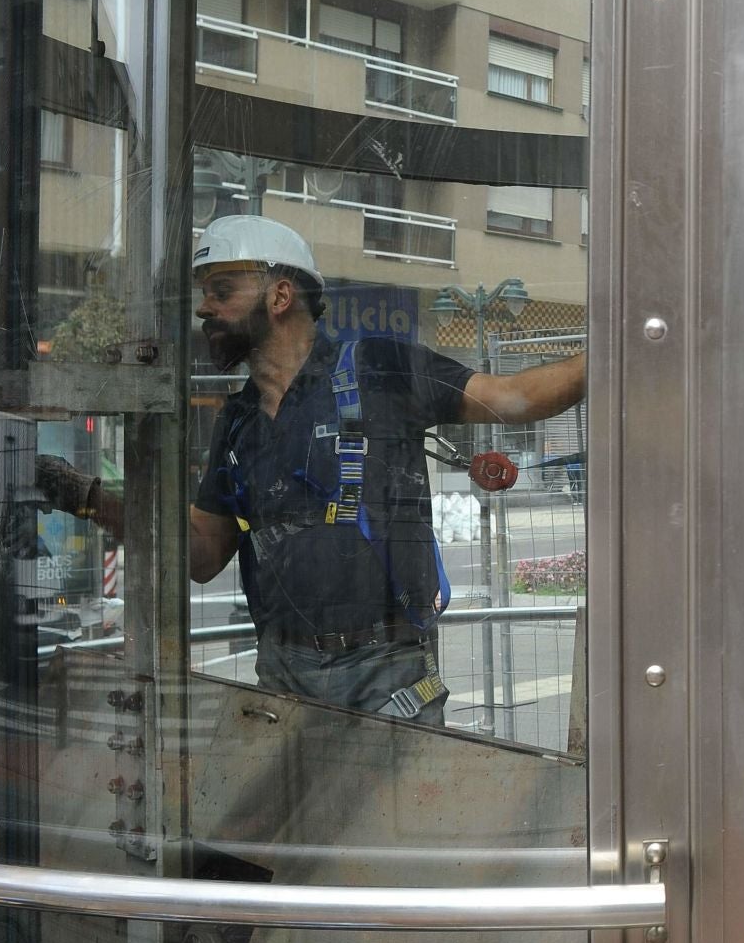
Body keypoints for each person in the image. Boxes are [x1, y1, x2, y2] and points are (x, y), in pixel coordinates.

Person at [35, 216, 586, 724]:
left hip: (386, 675)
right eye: (205, 293)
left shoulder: (379, 368)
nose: (204, 308)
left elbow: (513, 396)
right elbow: (203, 554)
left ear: (280, 295)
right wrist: (92, 499)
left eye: (222, 291)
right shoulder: (238, 421)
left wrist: (616, 350)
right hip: (282, 675)